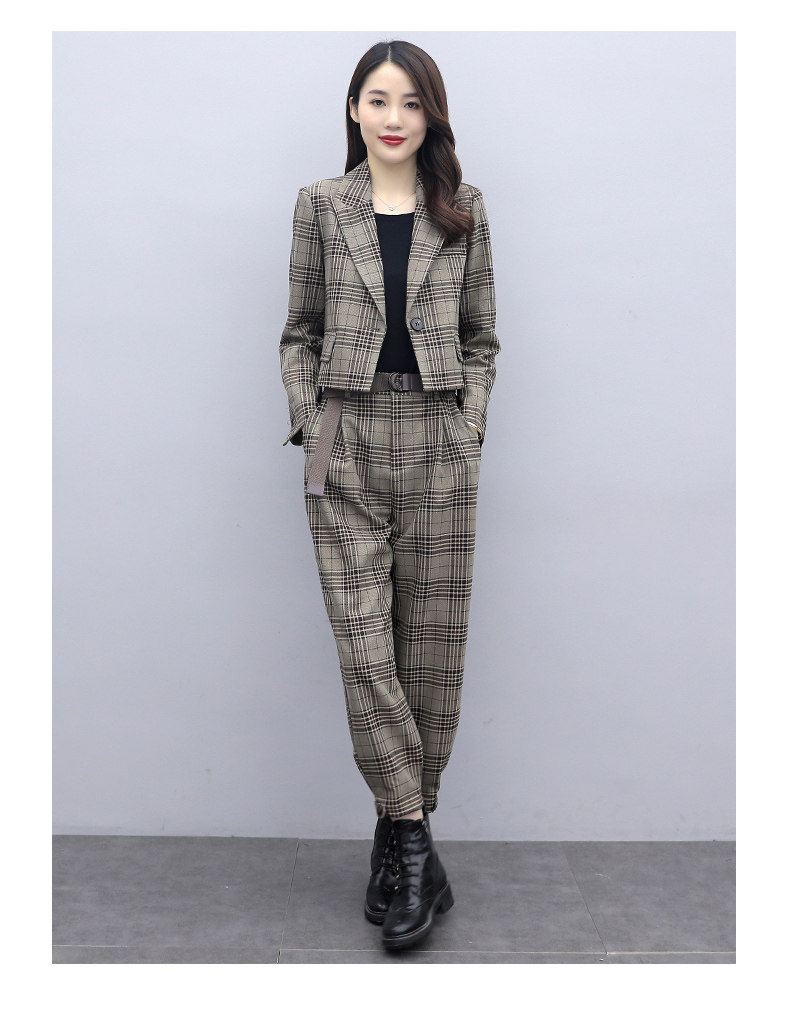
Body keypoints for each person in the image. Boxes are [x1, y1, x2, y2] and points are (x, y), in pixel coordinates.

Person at [279, 39, 499, 950]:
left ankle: (397, 840)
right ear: (354, 109)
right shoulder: (320, 206)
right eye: (378, 99)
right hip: (348, 439)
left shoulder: (465, 209)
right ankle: (415, 844)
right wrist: (312, 422)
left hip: (439, 443)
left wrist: (468, 427)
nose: (394, 117)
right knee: (366, 651)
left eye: (411, 102)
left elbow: (483, 338)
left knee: (430, 656)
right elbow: (299, 332)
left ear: (430, 115)